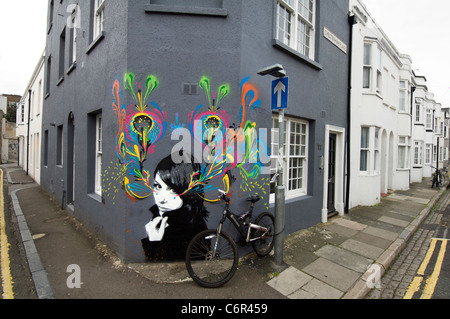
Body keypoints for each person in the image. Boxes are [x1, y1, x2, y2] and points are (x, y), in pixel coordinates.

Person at [141, 152, 209, 262]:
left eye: (172, 191)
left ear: (189, 193)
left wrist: (155, 243)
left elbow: (163, 270)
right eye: (158, 186)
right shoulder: (162, 219)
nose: (161, 199)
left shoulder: (192, 230)